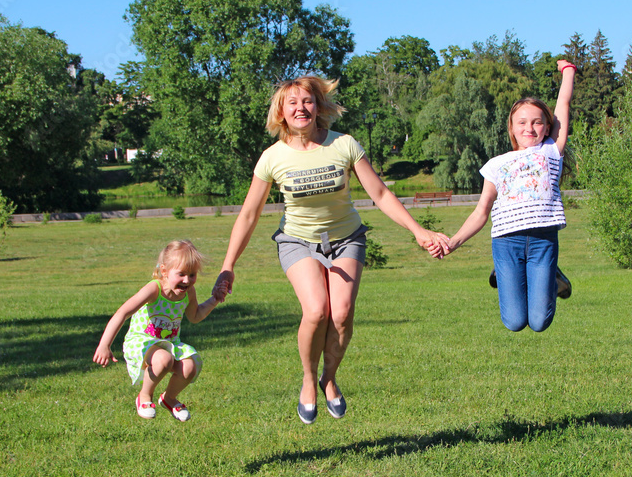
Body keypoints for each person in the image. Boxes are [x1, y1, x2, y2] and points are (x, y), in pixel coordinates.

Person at [212, 76, 448, 424]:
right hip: (297, 241)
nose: (301, 108)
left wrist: (418, 230)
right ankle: (309, 380)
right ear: (281, 112)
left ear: (318, 106)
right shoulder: (272, 157)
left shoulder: (344, 144)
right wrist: (228, 265)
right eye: (292, 103)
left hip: (346, 238)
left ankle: (329, 378)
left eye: (307, 101)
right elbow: (249, 214)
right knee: (316, 311)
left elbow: (380, 193)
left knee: (341, 314)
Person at [442, 60, 576, 332]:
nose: (530, 128)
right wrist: (454, 242)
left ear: (547, 126)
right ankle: (504, 275)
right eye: (522, 122)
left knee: (539, 322)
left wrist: (568, 71)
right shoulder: (496, 164)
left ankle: (554, 279)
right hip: (506, 242)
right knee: (514, 322)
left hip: (542, 241)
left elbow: (563, 104)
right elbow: (481, 211)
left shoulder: (551, 151)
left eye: (538, 122)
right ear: (512, 128)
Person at [94, 240, 219, 420]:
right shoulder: (154, 289)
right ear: (164, 271)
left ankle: (169, 398)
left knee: (189, 367)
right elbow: (123, 312)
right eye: (181, 274)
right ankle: (144, 396)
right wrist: (104, 345)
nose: (187, 280)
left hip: (169, 343)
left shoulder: (189, 292)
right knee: (164, 359)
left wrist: (214, 300)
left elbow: (195, 316)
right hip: (141, 342)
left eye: (192, 275)